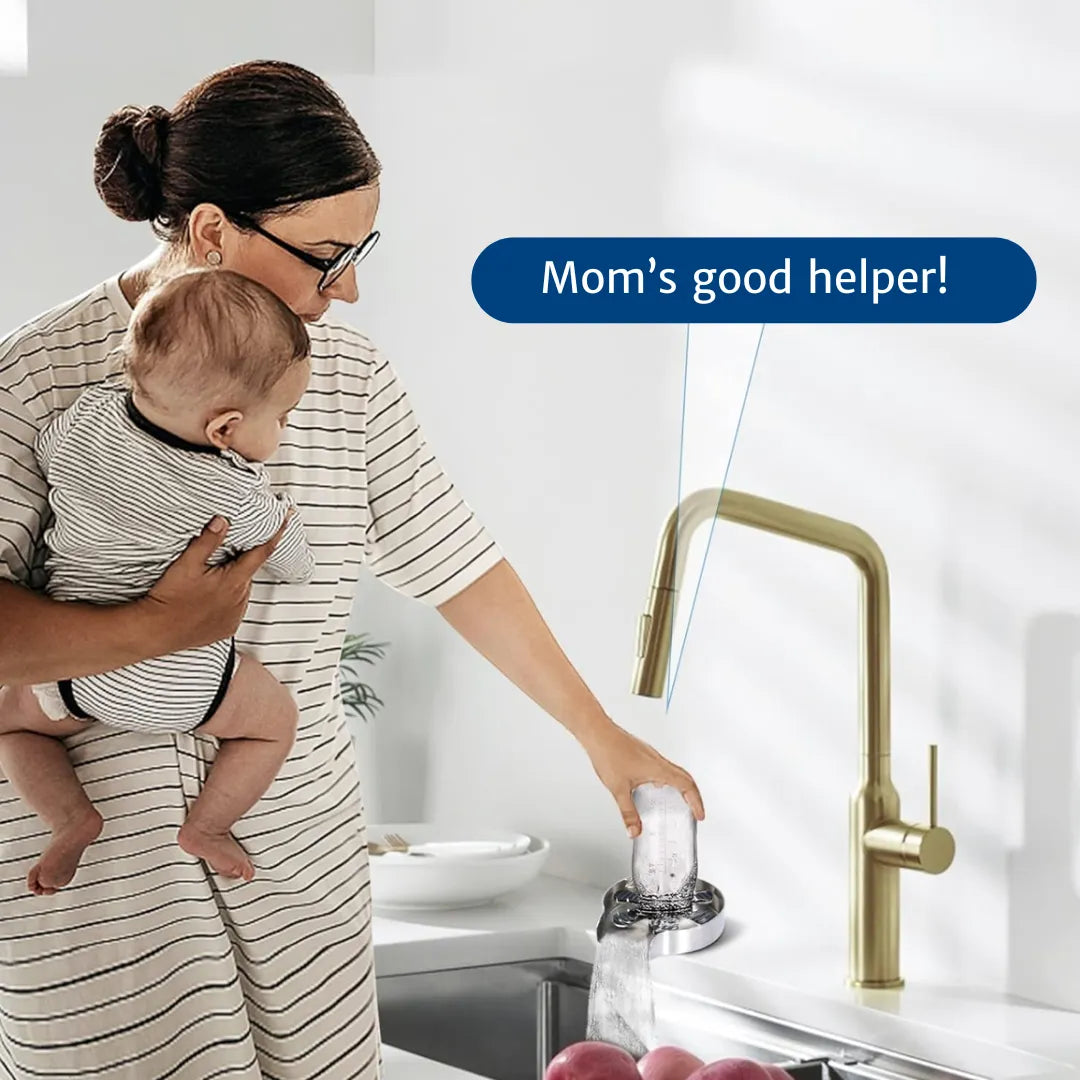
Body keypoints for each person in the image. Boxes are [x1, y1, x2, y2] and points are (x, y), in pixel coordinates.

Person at [0, 60, 704, 1079]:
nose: (351, 288)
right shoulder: (38, 378)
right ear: (210, 233)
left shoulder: (347, 378)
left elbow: (454, 560)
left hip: (296, 850)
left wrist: (599, 735)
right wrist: (153, 630)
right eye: (328, 258)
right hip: (98, 878)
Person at [0, 268, 320, 895]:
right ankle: (208, 826)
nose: (283, 430)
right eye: (282, 416)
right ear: (225, 430)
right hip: (185, 684)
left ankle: (70, 817)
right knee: (273, 722)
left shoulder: (85, 422)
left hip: (71, 671)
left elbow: (44, 448)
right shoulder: (235, 490)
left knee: (13, 724)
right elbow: (291, 562)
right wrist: (285, 526)